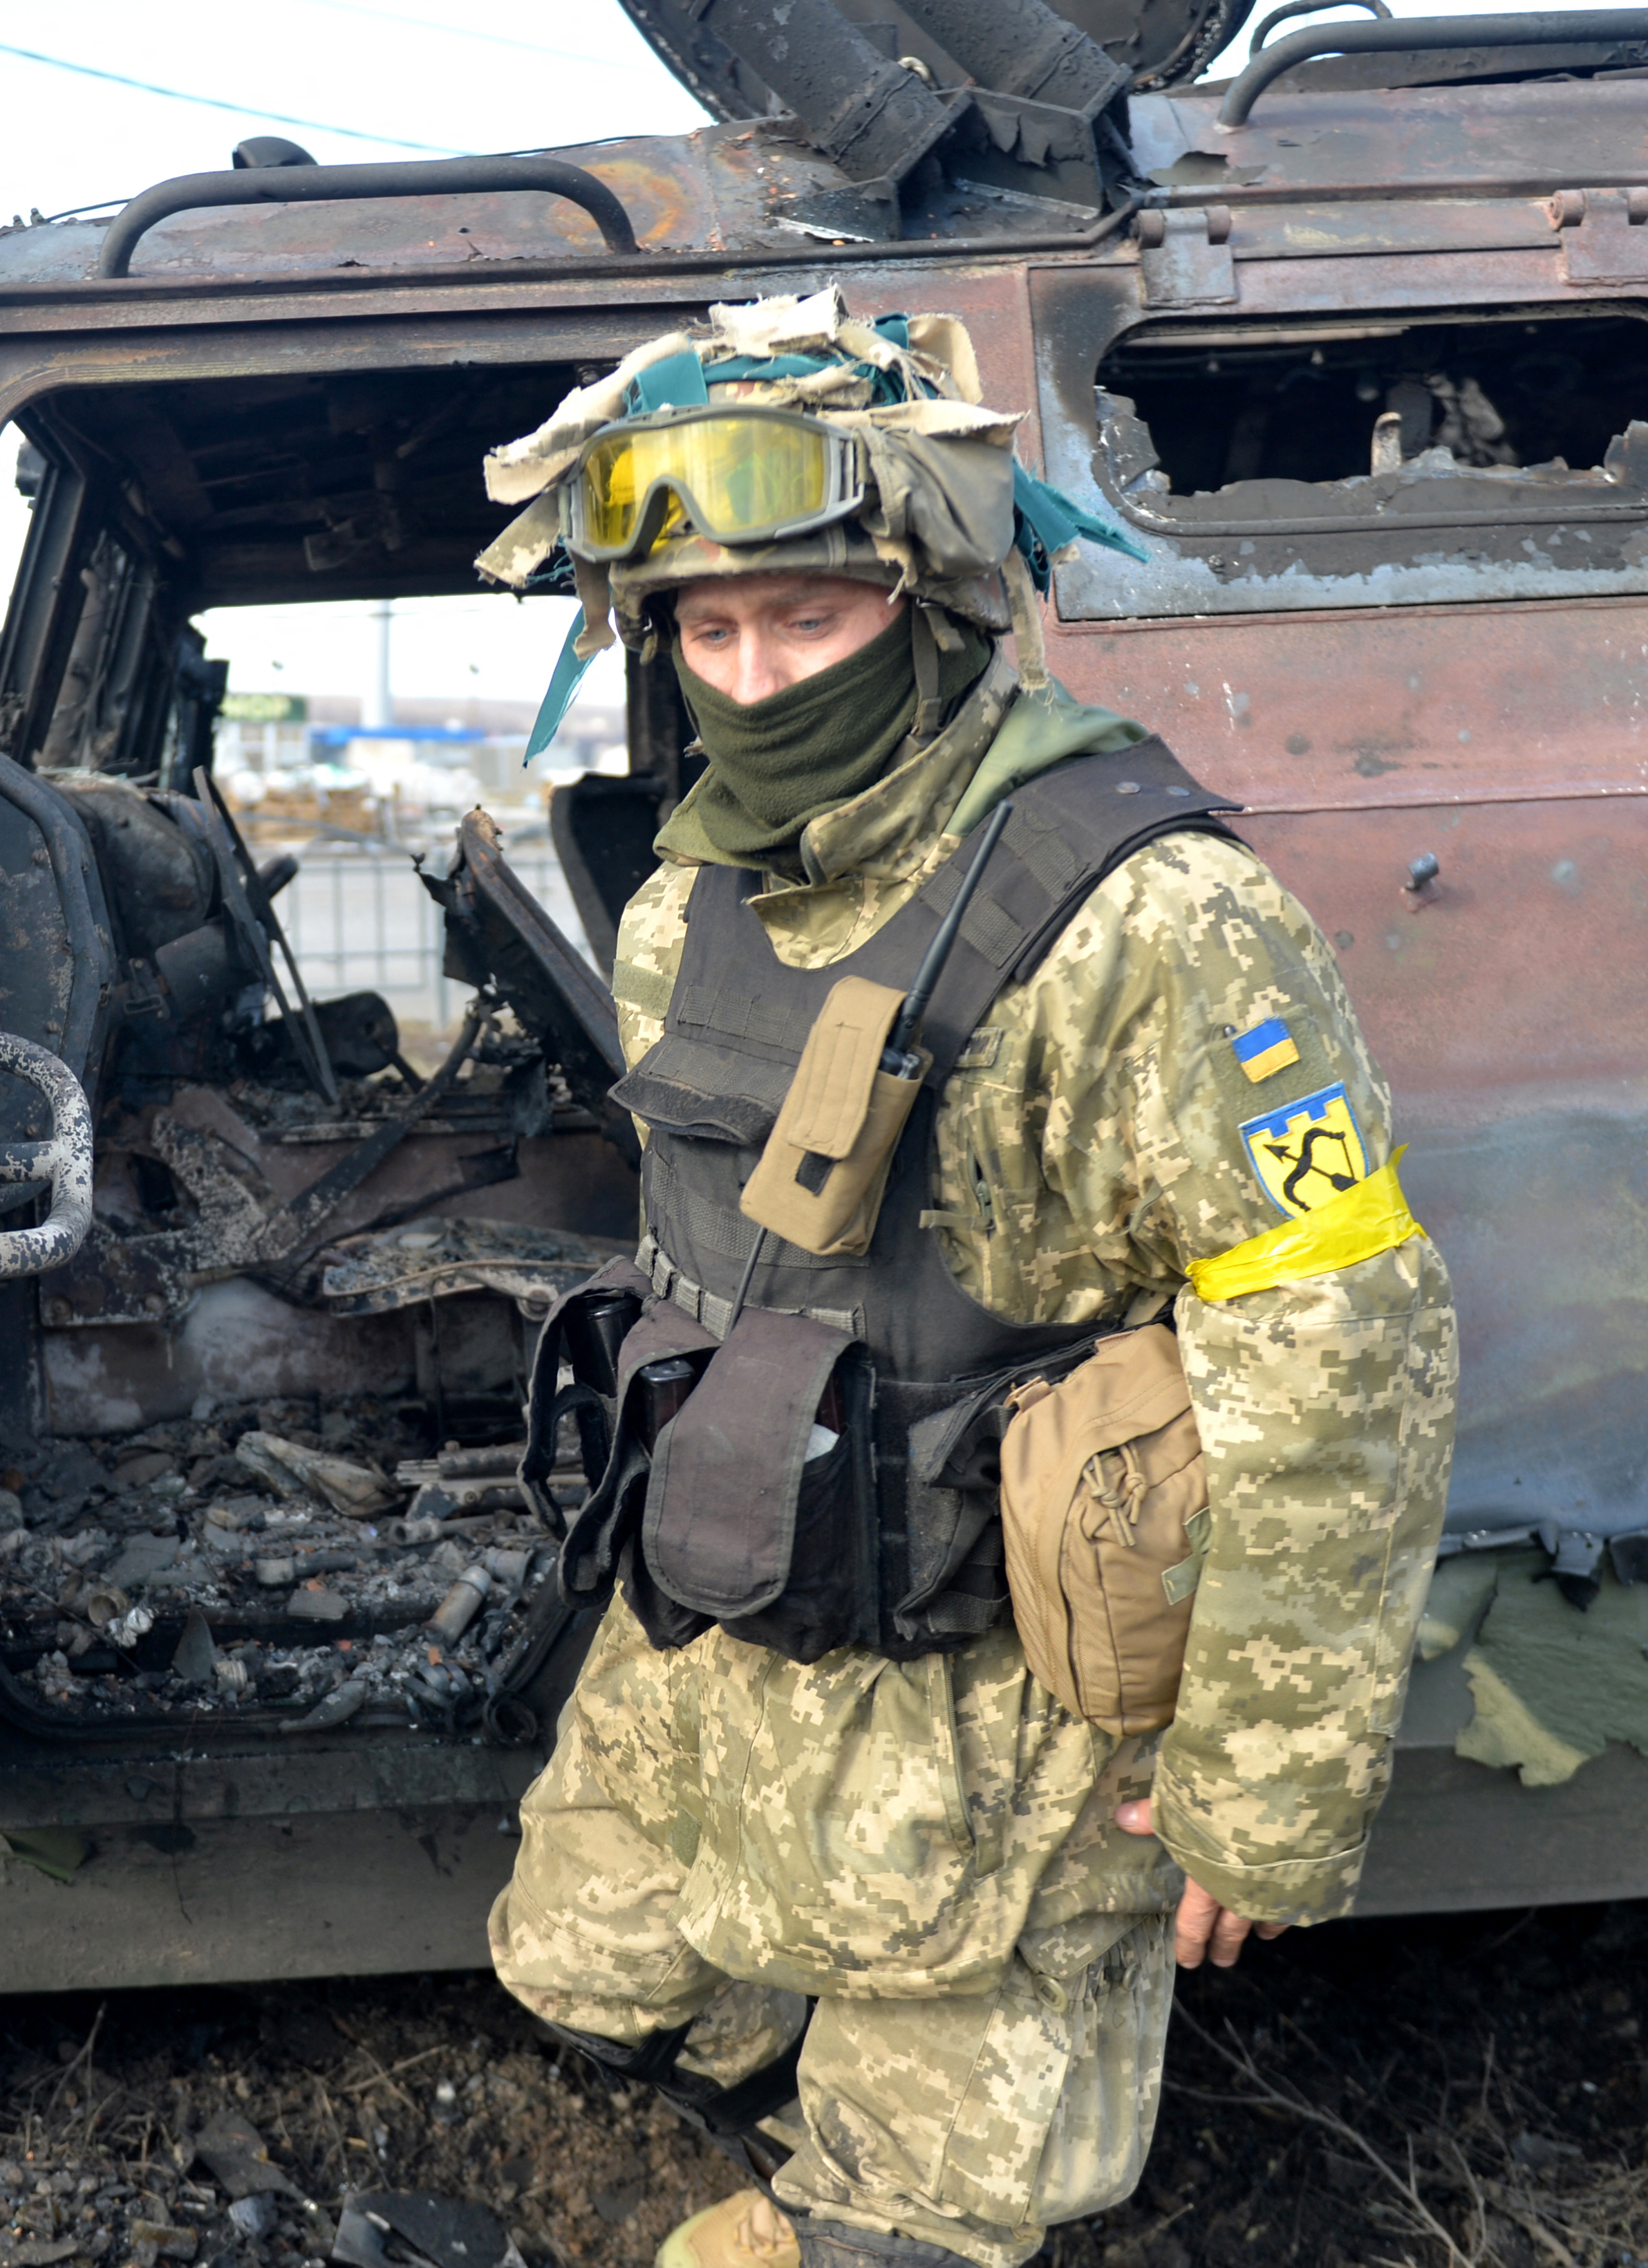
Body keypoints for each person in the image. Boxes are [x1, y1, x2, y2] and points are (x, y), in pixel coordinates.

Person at [476, 291, 1460, 2268]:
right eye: (707, 628)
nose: (752, 676)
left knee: (897, 2229)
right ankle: (798, 2042)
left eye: (808, 619)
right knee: (577, 1976)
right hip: (730, 1613)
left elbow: (1343, 1350)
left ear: (928, 602)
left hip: (1000, 1685)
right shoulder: (688, 899)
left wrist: (1257, 1790)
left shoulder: (1157, 916)